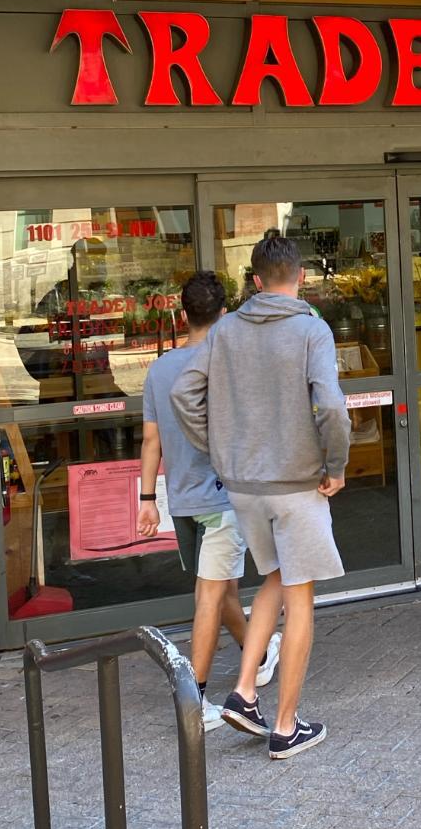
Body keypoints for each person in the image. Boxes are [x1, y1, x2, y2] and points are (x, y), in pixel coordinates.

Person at [170, 234, 350, 763]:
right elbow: (333, 409)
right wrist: (335, 466)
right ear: (301, 277)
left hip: (245, 486)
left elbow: (184, 394)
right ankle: (286, 727)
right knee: (301, 600)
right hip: (296, 485)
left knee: (275, 578)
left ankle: (246, 692)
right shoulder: (312, 329)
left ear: (254, 281)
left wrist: (220, 448)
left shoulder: (225, 330)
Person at [137, 271, 280, 729]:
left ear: (183, 313)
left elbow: (150, 441)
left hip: (181, 501)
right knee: (210, 596)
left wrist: (146, 498)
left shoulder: (159, 369)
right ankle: (194, 703)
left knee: (219, 592)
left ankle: (259, 651)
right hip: (222, 500)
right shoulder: (226, 363)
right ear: (223, 314)